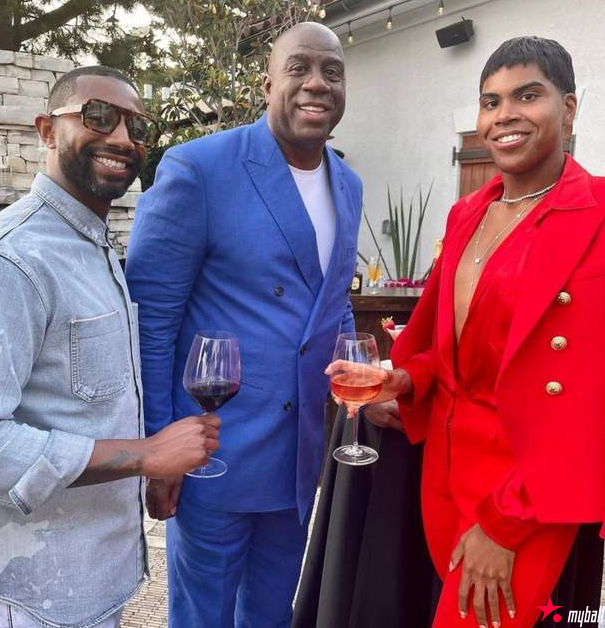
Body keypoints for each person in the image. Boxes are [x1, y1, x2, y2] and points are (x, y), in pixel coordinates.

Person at [328, 36, 605, 628]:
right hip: (446, 473)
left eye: (527, 96)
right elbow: (446, 348)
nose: (504, 115)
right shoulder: (468, 212)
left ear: (569, 108)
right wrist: (403, 379)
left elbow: (589, 399)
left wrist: (506, 523)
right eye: (490, 101)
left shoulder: (599, 215)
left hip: (528, 493)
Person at [125, 21, 362, 628]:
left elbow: (332, 300)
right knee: (202, 617)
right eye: (299, 68)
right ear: (267, 84)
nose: (317, 83)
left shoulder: (348, 182)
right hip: (214, 453)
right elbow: (151, 319)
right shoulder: (199, 168)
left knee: (272, 614)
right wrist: (157, 448)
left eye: (332, 72)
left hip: (298, 454)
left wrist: (359, 382)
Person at [0, 66, 220, 628]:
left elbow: (93, 402)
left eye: (136, 126)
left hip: (94, 579)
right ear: (47, 131)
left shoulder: (96, 248)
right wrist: (146, 454)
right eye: (98, 116)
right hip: (32, 597)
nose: (122, 138)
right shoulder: (17, 260)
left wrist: (151, 469)